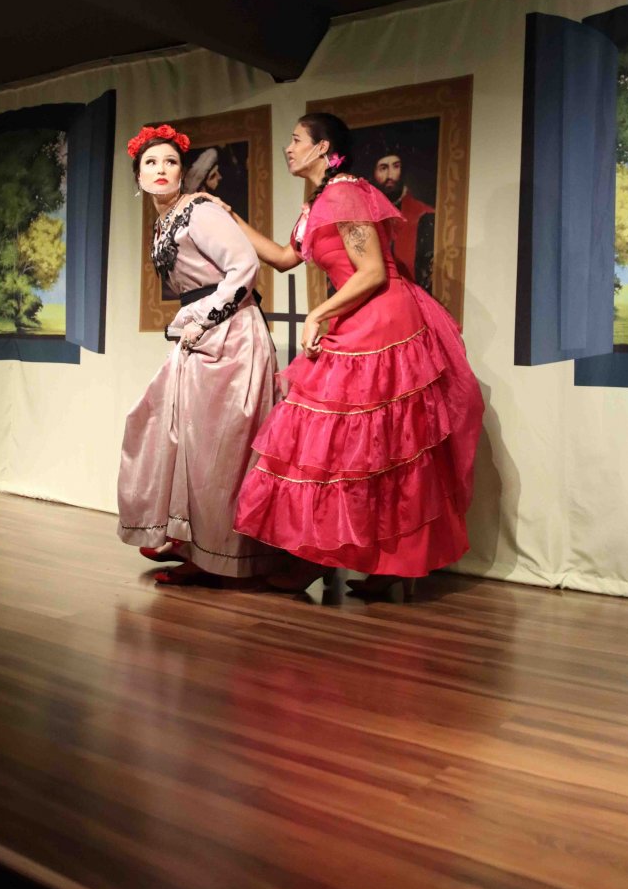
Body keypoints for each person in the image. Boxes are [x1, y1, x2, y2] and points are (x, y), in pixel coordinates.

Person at [206, 113, 484, 596]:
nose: (289, 147)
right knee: (356, 448)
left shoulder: (345, 193)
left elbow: (372, 271)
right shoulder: (318, 202)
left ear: (322, 147)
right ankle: (340, 557)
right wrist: (229, 216)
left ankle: (373, 563)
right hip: (359, 315)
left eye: (296, 139)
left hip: (384, 318)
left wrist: (318, 314)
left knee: (378, 446)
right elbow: (284, 258)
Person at [117, 124, 285, 587]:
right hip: (201, 336)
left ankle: (223, 555)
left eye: (170, 162)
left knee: (218, 450)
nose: (161, 169)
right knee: (181, 438)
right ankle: (192, 541)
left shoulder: (199, 211)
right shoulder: (164, 221)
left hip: (231, 335)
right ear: (138, 176)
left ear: (182, 172)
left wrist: (204, 318)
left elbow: (244, 267)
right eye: (151, 163)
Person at [367, 139, 435, 292]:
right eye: (383, 168)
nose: (390, 175)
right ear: (373, 173)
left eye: (396, 166)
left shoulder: (424, 215)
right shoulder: (363, 215)